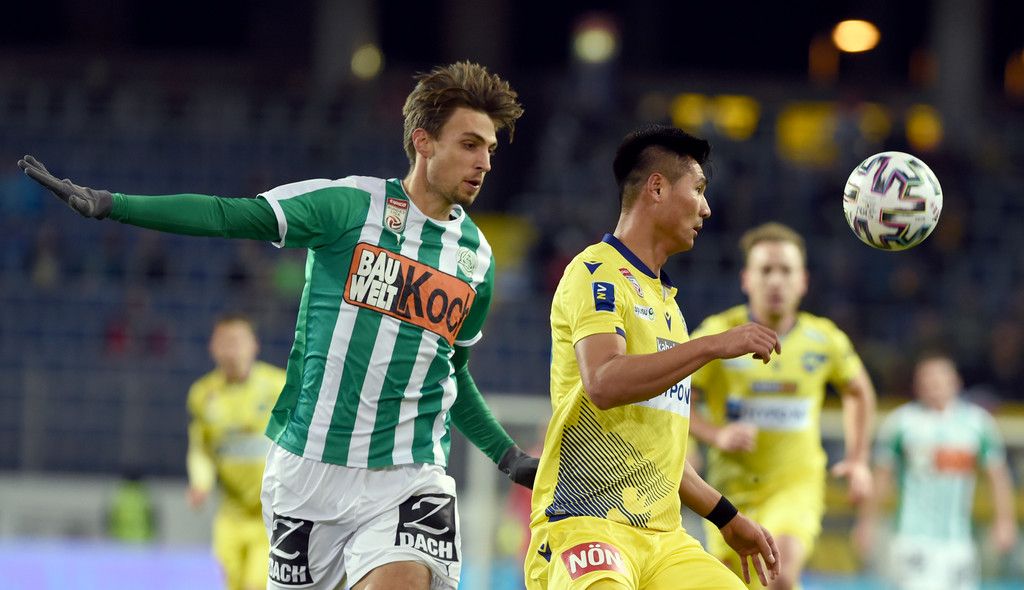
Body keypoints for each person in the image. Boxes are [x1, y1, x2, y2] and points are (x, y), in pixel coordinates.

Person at [18, 61, 539, 590]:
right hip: (308, 474)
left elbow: (450, 372)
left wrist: (507, 455)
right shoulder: (348, 207)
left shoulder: (477, 260)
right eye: (470, 144)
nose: (484, 162)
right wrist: (113, 205)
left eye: (490, 149)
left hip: (409, 476)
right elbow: (228, 216)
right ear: (423, 142)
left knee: (405, 580)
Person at [525, 124, 782, 590]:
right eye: (698, 189)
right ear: (657, 188)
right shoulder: (595, 272)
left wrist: (727, 517)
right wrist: (712, 346)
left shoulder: (670, 308)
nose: (706, 207)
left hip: (665, 541)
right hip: (586, 523)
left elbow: (661, 456)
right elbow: (604, 382)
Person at [687, 222, 877, 590]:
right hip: (730, 491)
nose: (776, 281)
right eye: (766, 270)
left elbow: (858, 391)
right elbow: (676, 397)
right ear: (746, 279)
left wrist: (858, 459)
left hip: (795, 486)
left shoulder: (824, 339)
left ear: (803, 281)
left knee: (779, 576)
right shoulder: (719, 333)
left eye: (786, 271)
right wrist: (715, 434)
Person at [853, 353, 1018, 590]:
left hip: (959, 541)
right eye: (927, 381)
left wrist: (1004, 521)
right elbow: (881, 477)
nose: (934, 386)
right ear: (917, 386)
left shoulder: (978, 424)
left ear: (956, 382)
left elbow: (998, 476)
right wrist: (867, 522)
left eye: (940, 380)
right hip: (912, 539)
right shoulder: (902, 423)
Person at [186, 314, 287, 590]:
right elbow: (201, 448)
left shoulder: (279, 386)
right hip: (230, 513)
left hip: (270, 512)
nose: (232, 350)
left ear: (254, 345)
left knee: (257, 584)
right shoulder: (203, 394)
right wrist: (200, 482)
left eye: (238, 341)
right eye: (225, 342)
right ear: (213, 347)